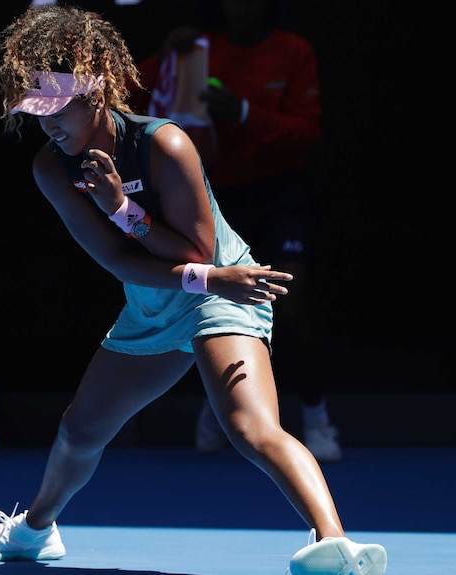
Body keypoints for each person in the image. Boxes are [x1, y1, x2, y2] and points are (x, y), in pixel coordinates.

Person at [0, 5, 387, 575]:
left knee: (251, 428)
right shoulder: (51, 168)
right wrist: (127, 222)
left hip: (225, 293)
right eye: (35, 109)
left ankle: (336, 547)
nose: (46, 122)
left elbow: (197, 254)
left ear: (96, 89)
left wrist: (124, 211)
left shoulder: (165, 144)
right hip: (154, 298)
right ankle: (33, 533)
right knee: (79, 431)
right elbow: (118, 262)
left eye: (56, 106)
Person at [134, 0, 342, 462]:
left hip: (281, 195)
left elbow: (308, 133)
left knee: (287, 306)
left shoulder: (293, 51)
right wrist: (166, 56)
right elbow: (135, 100)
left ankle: (315, 416)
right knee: (215, 306)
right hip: (220, 199)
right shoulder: (200, 50)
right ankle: (225, 409)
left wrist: (244, 112)